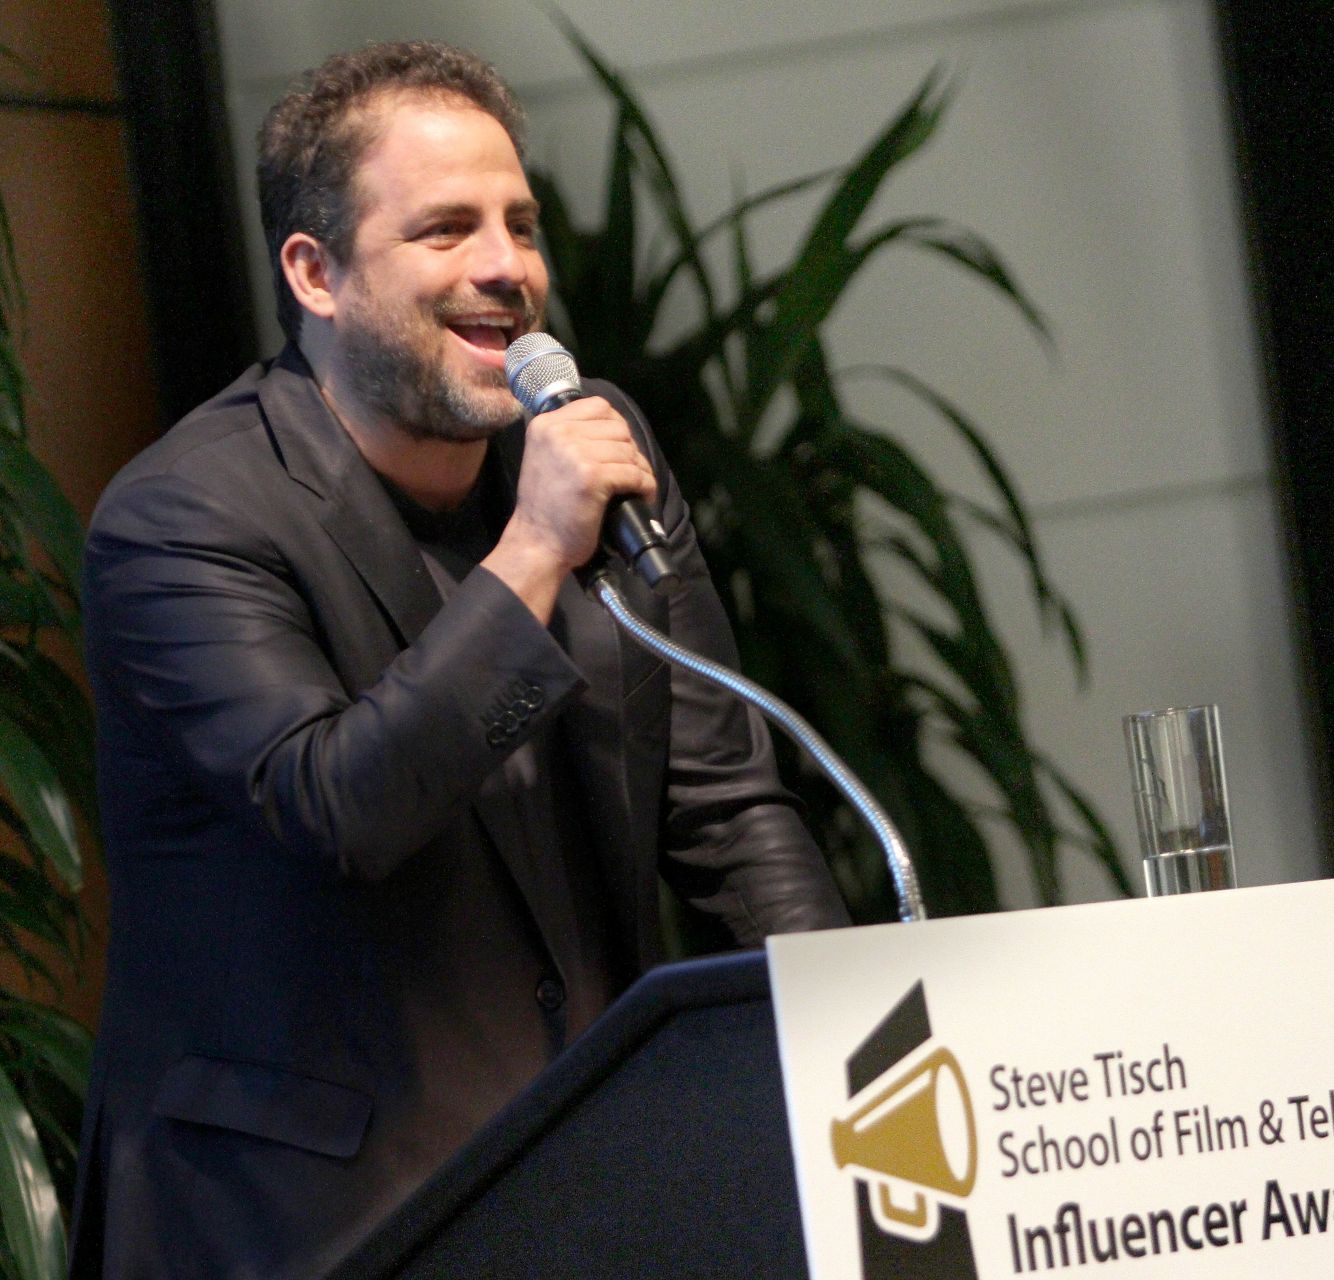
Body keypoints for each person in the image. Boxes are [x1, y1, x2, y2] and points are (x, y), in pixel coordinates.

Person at [68, 40, 849, 1277]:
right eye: (445, 230)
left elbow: (724, 800)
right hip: (302, 1222)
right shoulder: (183, 517)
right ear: (315, 274)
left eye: (520, 223)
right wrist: (536, 544)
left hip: (587, 1171)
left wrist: (856, 1042)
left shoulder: (599, 448)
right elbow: (338, 804)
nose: (506, 269)